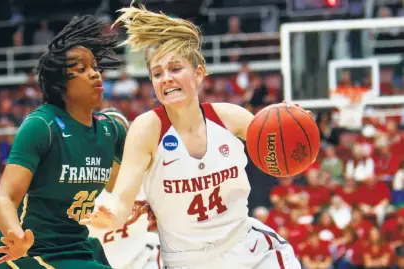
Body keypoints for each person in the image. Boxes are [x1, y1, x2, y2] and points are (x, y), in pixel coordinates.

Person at [80, 5, 301, 269]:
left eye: (175, 68)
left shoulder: (230, 117)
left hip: (246, 250)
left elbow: (276, 141)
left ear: (198, 73)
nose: (167, 79)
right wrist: (109, 215)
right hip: (184, 261)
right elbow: (121, 200)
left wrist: (296, 123)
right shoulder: (147, 129)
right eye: (158, 73)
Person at [0, 15, 127, 269]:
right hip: (30, 252)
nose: (94, 74)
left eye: (94, 67)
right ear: (61, 85)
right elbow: (4, 198)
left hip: (79, 246)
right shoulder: (43, 125)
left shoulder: (110, 129)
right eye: (81, 70)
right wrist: (16, 235)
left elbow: (139, 179)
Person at [89, 107, 162, 269]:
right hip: (98, 263)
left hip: (141, 258)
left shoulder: (147, 174)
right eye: (108, 133)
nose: (114, 139)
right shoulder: (81, 184)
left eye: (120, 133)